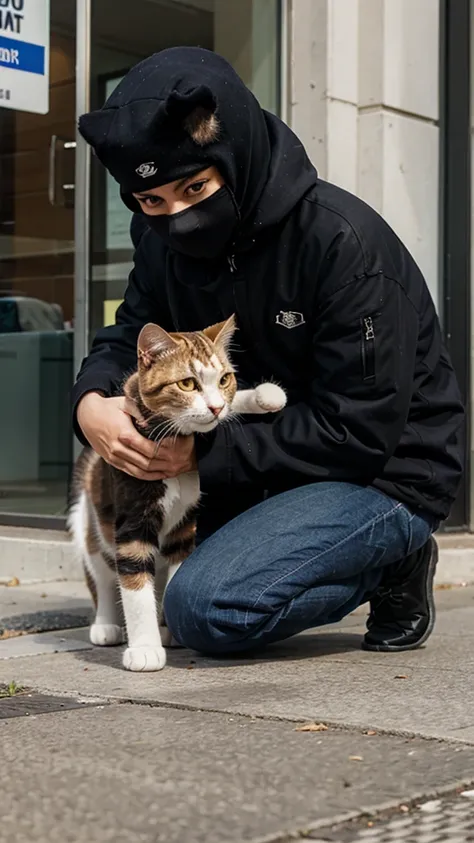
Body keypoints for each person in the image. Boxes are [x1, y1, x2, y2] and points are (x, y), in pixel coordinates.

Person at [73, 47, 464, 656]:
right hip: (251, 461)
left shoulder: (342, 243)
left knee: (204, 610)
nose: (176, 216)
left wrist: (199, 447)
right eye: (152, 201)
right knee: (182, 577)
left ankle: (398, 557)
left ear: (236, 155)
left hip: (381, 474)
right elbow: (127, 334)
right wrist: (91, 404)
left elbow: (359, 430)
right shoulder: (160, 246)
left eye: (195, 186)